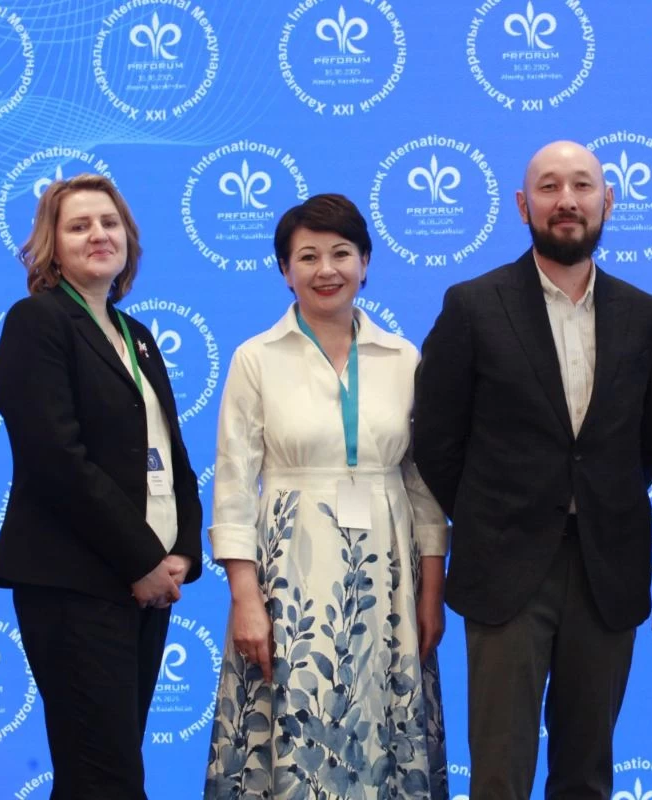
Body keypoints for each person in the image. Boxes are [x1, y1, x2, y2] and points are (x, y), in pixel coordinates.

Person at [413, 140, 652, 799]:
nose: (567, 201)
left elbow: (650, 439)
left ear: (607, 201)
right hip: (504, 565)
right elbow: (437, 440)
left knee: (587, 772)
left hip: (605, 567)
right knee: (499, 772)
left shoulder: (645, 316)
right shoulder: (473, 305)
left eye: (582, 186)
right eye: (550, 187)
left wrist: (596, 497)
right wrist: (493, 510)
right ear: (522, 205)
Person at [203, 194, 449, 799]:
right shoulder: (256, 358)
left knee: (386, 726)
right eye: (307, 256)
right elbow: (233, 484)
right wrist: (245, 598)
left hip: (389, 576)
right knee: (296, 721)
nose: (326, 270)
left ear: (366, 262)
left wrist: (431, 592)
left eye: (341, 253)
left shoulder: (403, 357)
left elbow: (422, 485)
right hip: (289, 573)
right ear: (285, 270)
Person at [0, 173, 203, 799]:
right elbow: (56, 458)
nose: (99, 235)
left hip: (145, 587)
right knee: (106, 778)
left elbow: (171, 457)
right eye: (79, 226)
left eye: (110, 223)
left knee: (100, 774)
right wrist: (141, 559)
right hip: (75, 583)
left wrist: (181, 553)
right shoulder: (38, 321)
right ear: (51, 246)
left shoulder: (136, 335)